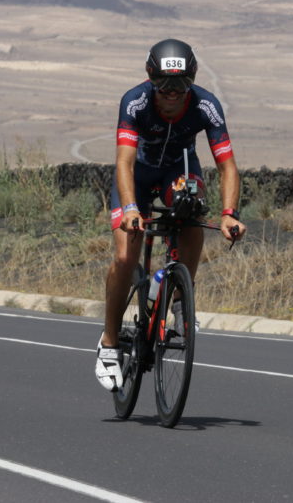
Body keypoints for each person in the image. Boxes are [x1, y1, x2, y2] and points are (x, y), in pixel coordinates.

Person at [95, 38, 247, 391]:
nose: (172, 93)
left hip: (176, 173)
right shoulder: (134, 101)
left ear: (191, 81)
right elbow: (124, 162)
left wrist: (229, 214)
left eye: (180, 84)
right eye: (164, 84)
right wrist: (131, 209)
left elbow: (227, 166)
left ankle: (180, 295)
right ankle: (109, 342)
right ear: (151, 79)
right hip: (137, 176)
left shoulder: (207, 105)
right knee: (124, 255)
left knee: (193, 206)